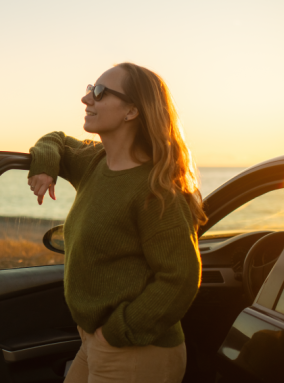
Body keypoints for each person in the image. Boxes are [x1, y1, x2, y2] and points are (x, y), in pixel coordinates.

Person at [27, 63, 205, 383]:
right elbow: (56, 139)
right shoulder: (95, 162)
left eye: (99, 92)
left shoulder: (156, 190)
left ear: (132, 111)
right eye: (89, 89)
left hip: (137, 351)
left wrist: (118, 331)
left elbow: (180, 277)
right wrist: (44, 165)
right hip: (96, 341)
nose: (86, 100)